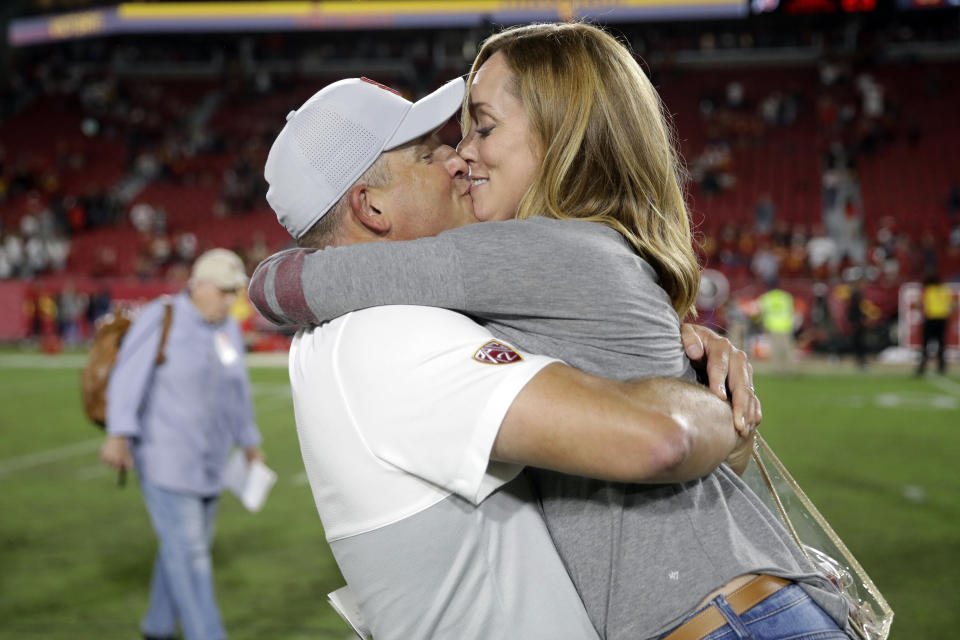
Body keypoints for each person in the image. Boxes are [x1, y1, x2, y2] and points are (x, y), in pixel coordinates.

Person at [253, 23, 852, 640]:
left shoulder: (523, 252)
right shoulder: (562, 253)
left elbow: (299, 286)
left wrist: (704, 408)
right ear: (368, 206)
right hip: (736, 609)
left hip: (722, 620)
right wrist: (708, 396)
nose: (462, 154)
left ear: (558, 133)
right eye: (442, 147)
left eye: (482, 128)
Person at [100, 248, 264, 640]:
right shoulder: (163, 317)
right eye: (224, 292)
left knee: (181, 549)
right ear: (199, 284)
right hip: (165, 457)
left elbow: (236, 390)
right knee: (191, 555)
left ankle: (157, 626)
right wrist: (119, 434)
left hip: (210, 460)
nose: (230, 300)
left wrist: (249, 441)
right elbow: (128, 375)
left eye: (234, 293)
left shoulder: (226, 329)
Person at [916, 272, 954, 375]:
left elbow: (919, 304)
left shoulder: (927, 290)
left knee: (925, 344)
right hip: (942, 319)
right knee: (941, 343)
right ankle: (941, 367)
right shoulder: (945, 290)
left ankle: (922, 368)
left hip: (931, 319)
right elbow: (953, 305)